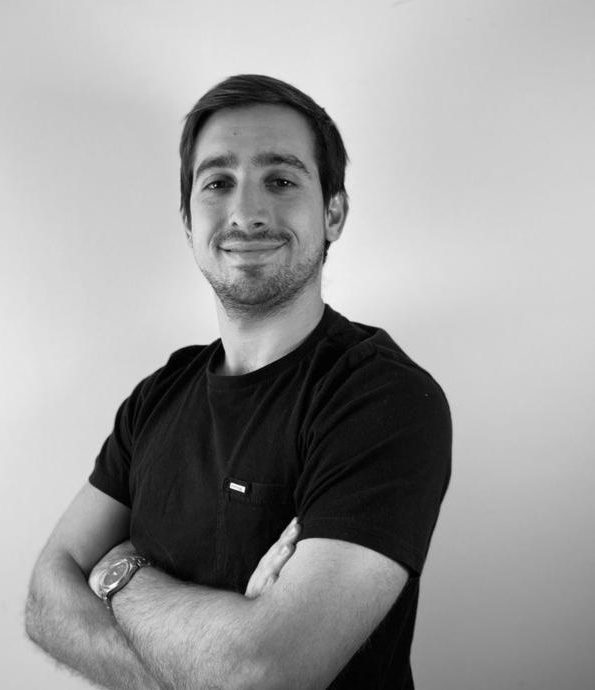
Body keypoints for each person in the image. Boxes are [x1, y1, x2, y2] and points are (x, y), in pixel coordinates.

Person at [25, 74, 452, 690]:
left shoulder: (381, 399)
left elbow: (265, 672)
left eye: (280, 181)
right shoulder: (156, 396)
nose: (246, 213)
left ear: (332, 213)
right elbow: (47, 597)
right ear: (188, 220)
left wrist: (122, 575)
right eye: (218, 183)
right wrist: (205, 667)